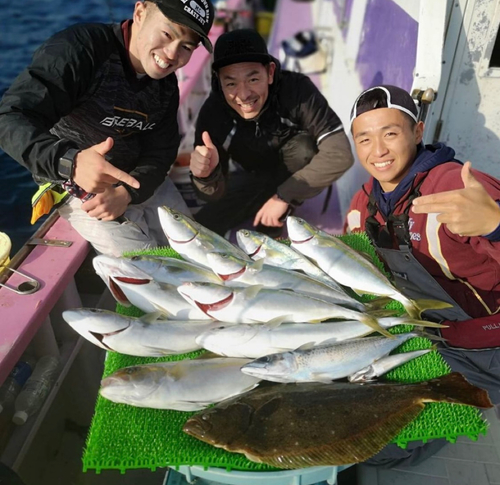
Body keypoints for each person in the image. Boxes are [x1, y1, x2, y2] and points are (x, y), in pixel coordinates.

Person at [345, 84, 500, 467]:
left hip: (482, 346)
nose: (377, 151)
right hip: (417, 329)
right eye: (364, 138)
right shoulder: (364, 200)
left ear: (417, 131)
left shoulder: (456, 186)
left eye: (391, 133)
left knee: (378, 449)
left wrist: (496, 225)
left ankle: (461, 416)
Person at [0, 0, 214, 257]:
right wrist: (71, 162)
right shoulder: (81, 49)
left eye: (186, 47)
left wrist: (128, 192)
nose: (171, 54)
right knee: (150, 267)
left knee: (199, 250)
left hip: (139, 181)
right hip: (78, 186)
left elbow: (161, 152)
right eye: (168, 34)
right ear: (140, 12)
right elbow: (10, 117)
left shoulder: (166, 85)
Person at [189, 28, 354, 236]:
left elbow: (340, 154)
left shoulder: (297, 90)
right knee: (201, 227)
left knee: (304, 148)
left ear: (270, 72)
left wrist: (284, 196)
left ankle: (281, 209)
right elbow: (211, 194)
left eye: (253, 79)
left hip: (293, 170)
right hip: (249, 174)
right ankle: (264, 200)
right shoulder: (212, 113)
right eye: (231, 83)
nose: (244, 94)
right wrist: (205, 176)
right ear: (219, 81)